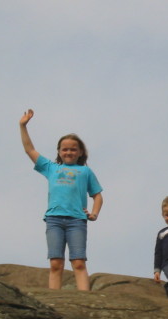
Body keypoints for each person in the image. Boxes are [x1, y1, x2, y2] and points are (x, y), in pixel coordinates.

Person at [19, 109, 103, 291]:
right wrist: (23, 126)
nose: (69, 152)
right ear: (59, 151)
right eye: (65, 149)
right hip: (54, 219)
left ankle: (85, 299)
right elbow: (29, 149)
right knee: (56, 263)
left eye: (73, 149)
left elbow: (97, 195)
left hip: (77, 220)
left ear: (80, 152)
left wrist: (94, 213)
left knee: (79, 263)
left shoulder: (85, 171)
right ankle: (54, 300)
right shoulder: (51, 168)